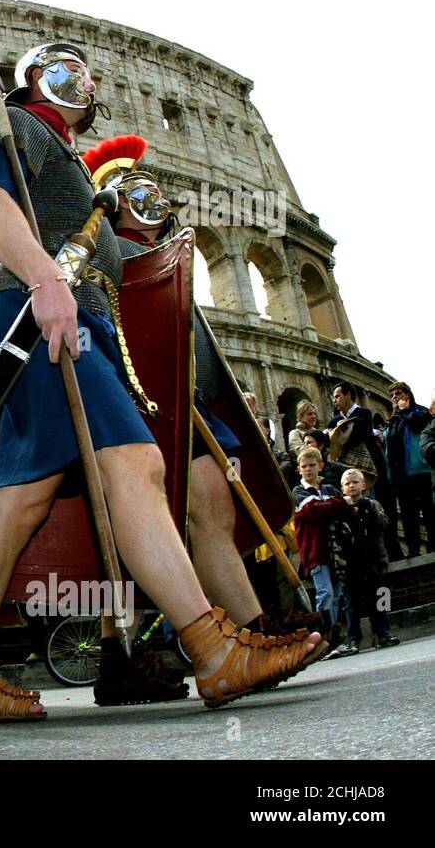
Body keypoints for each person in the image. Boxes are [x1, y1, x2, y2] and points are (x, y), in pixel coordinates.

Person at [0, 41, 318, 720]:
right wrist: (47, 281)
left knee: (18, 504)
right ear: (33, 79)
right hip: (46, 317)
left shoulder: (60, 151)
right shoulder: (16, 123)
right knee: (137, 465)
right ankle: (212, 647)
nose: (77, 82)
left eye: (84, 74)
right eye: (62, 71)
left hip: (58, 319)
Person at [94, 158, 322, 705]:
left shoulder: (161, 256)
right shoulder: (106, 253)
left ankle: (247, 632)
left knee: (200, 512)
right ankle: (147, 652)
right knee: (118, 534)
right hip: (142, 401)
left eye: (153, 194)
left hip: (184, 400)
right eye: (136, 195)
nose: (152, 203)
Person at [328, 382, 400, 558]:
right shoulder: (334, 420)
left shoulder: (364, 413)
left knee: (380, 509)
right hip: (350, 473)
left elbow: (355, 437)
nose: (334, 400)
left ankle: (392, 551)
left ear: (348, 396)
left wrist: (338, 436)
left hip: (372, 469)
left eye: (337, 396)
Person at [292, 447, 352, 655]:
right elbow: (312, 511)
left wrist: (331, 504)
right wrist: (333, 504)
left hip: (335, 550)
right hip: (315, 550)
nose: (308, 469)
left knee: (335, 595)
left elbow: (343, 509)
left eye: (312, 465)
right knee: (324, 592)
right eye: (304, 466)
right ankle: (323, 637)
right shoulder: (298, 492)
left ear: (320, 466)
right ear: (299, 470)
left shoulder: (329, 488)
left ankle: (333, 637)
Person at [338, 468, 399, 650]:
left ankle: (384, 632)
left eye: (355, 482)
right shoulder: (339, 508)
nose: (352, 486)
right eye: (347, 483)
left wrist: (368, 509)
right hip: (350, 563)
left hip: (373, 559)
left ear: (363, 485)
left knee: (381, 598)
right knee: (352, 604)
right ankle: (353, 638)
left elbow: (384, 523)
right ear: (342, 488)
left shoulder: (372, 504)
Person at [384, 382, 433, 556]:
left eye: (398, 393)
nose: (394, 397)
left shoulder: (419, 411)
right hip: (400, 474)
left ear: (408, 395)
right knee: (407, 513)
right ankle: (413, 549)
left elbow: (419, 423)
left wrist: (405, 411)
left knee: (428, 510)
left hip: (419, 469)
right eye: (392, 395)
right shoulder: (393, 420)